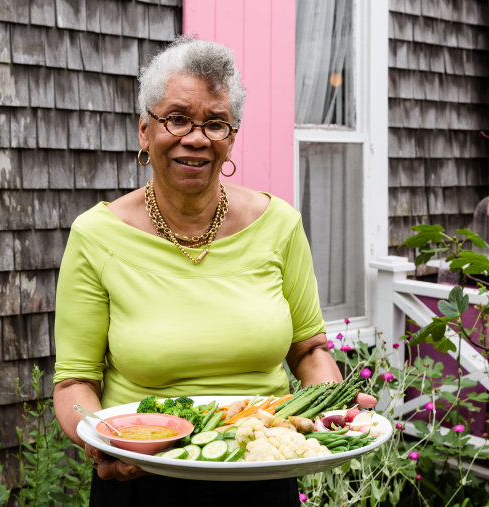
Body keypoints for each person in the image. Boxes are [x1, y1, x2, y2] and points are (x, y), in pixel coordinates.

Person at [52, 35, 375, 506]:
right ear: (145, 130)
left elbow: (309, 350)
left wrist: (331, 408)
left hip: (263, 469)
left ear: (231, 138)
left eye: (216, 123)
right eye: (177, 118)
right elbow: (74, 382)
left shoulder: (279, 225)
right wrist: (101, 443)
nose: (196, 138)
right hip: (142, 475)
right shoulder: (97, 235)